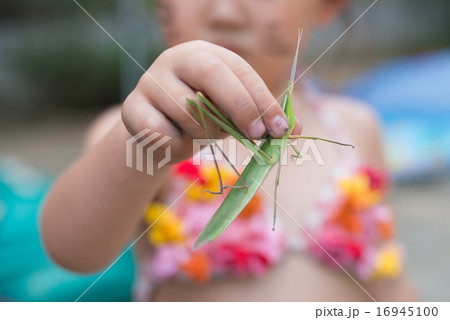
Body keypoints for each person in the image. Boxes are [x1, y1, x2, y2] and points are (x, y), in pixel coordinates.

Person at [41, 0, 417, 301]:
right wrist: (144, 142)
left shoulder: (358, 126)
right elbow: (71, 250)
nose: (226, 12)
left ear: (329, 6)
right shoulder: (135, 124)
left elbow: (387, 277)